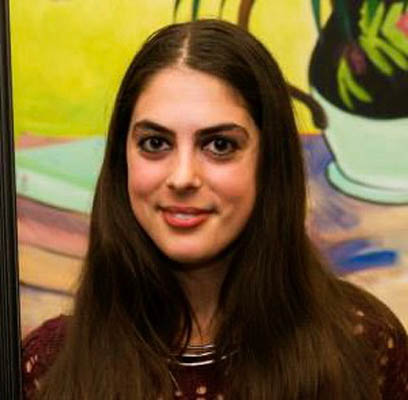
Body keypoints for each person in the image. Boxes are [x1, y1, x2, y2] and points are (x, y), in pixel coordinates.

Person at [21, 19, 408, 400]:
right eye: (155, 143)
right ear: (122, 161)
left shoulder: (365, 344)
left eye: (219, 145)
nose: (182, 177)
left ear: (269, 163)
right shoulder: (49, 366)